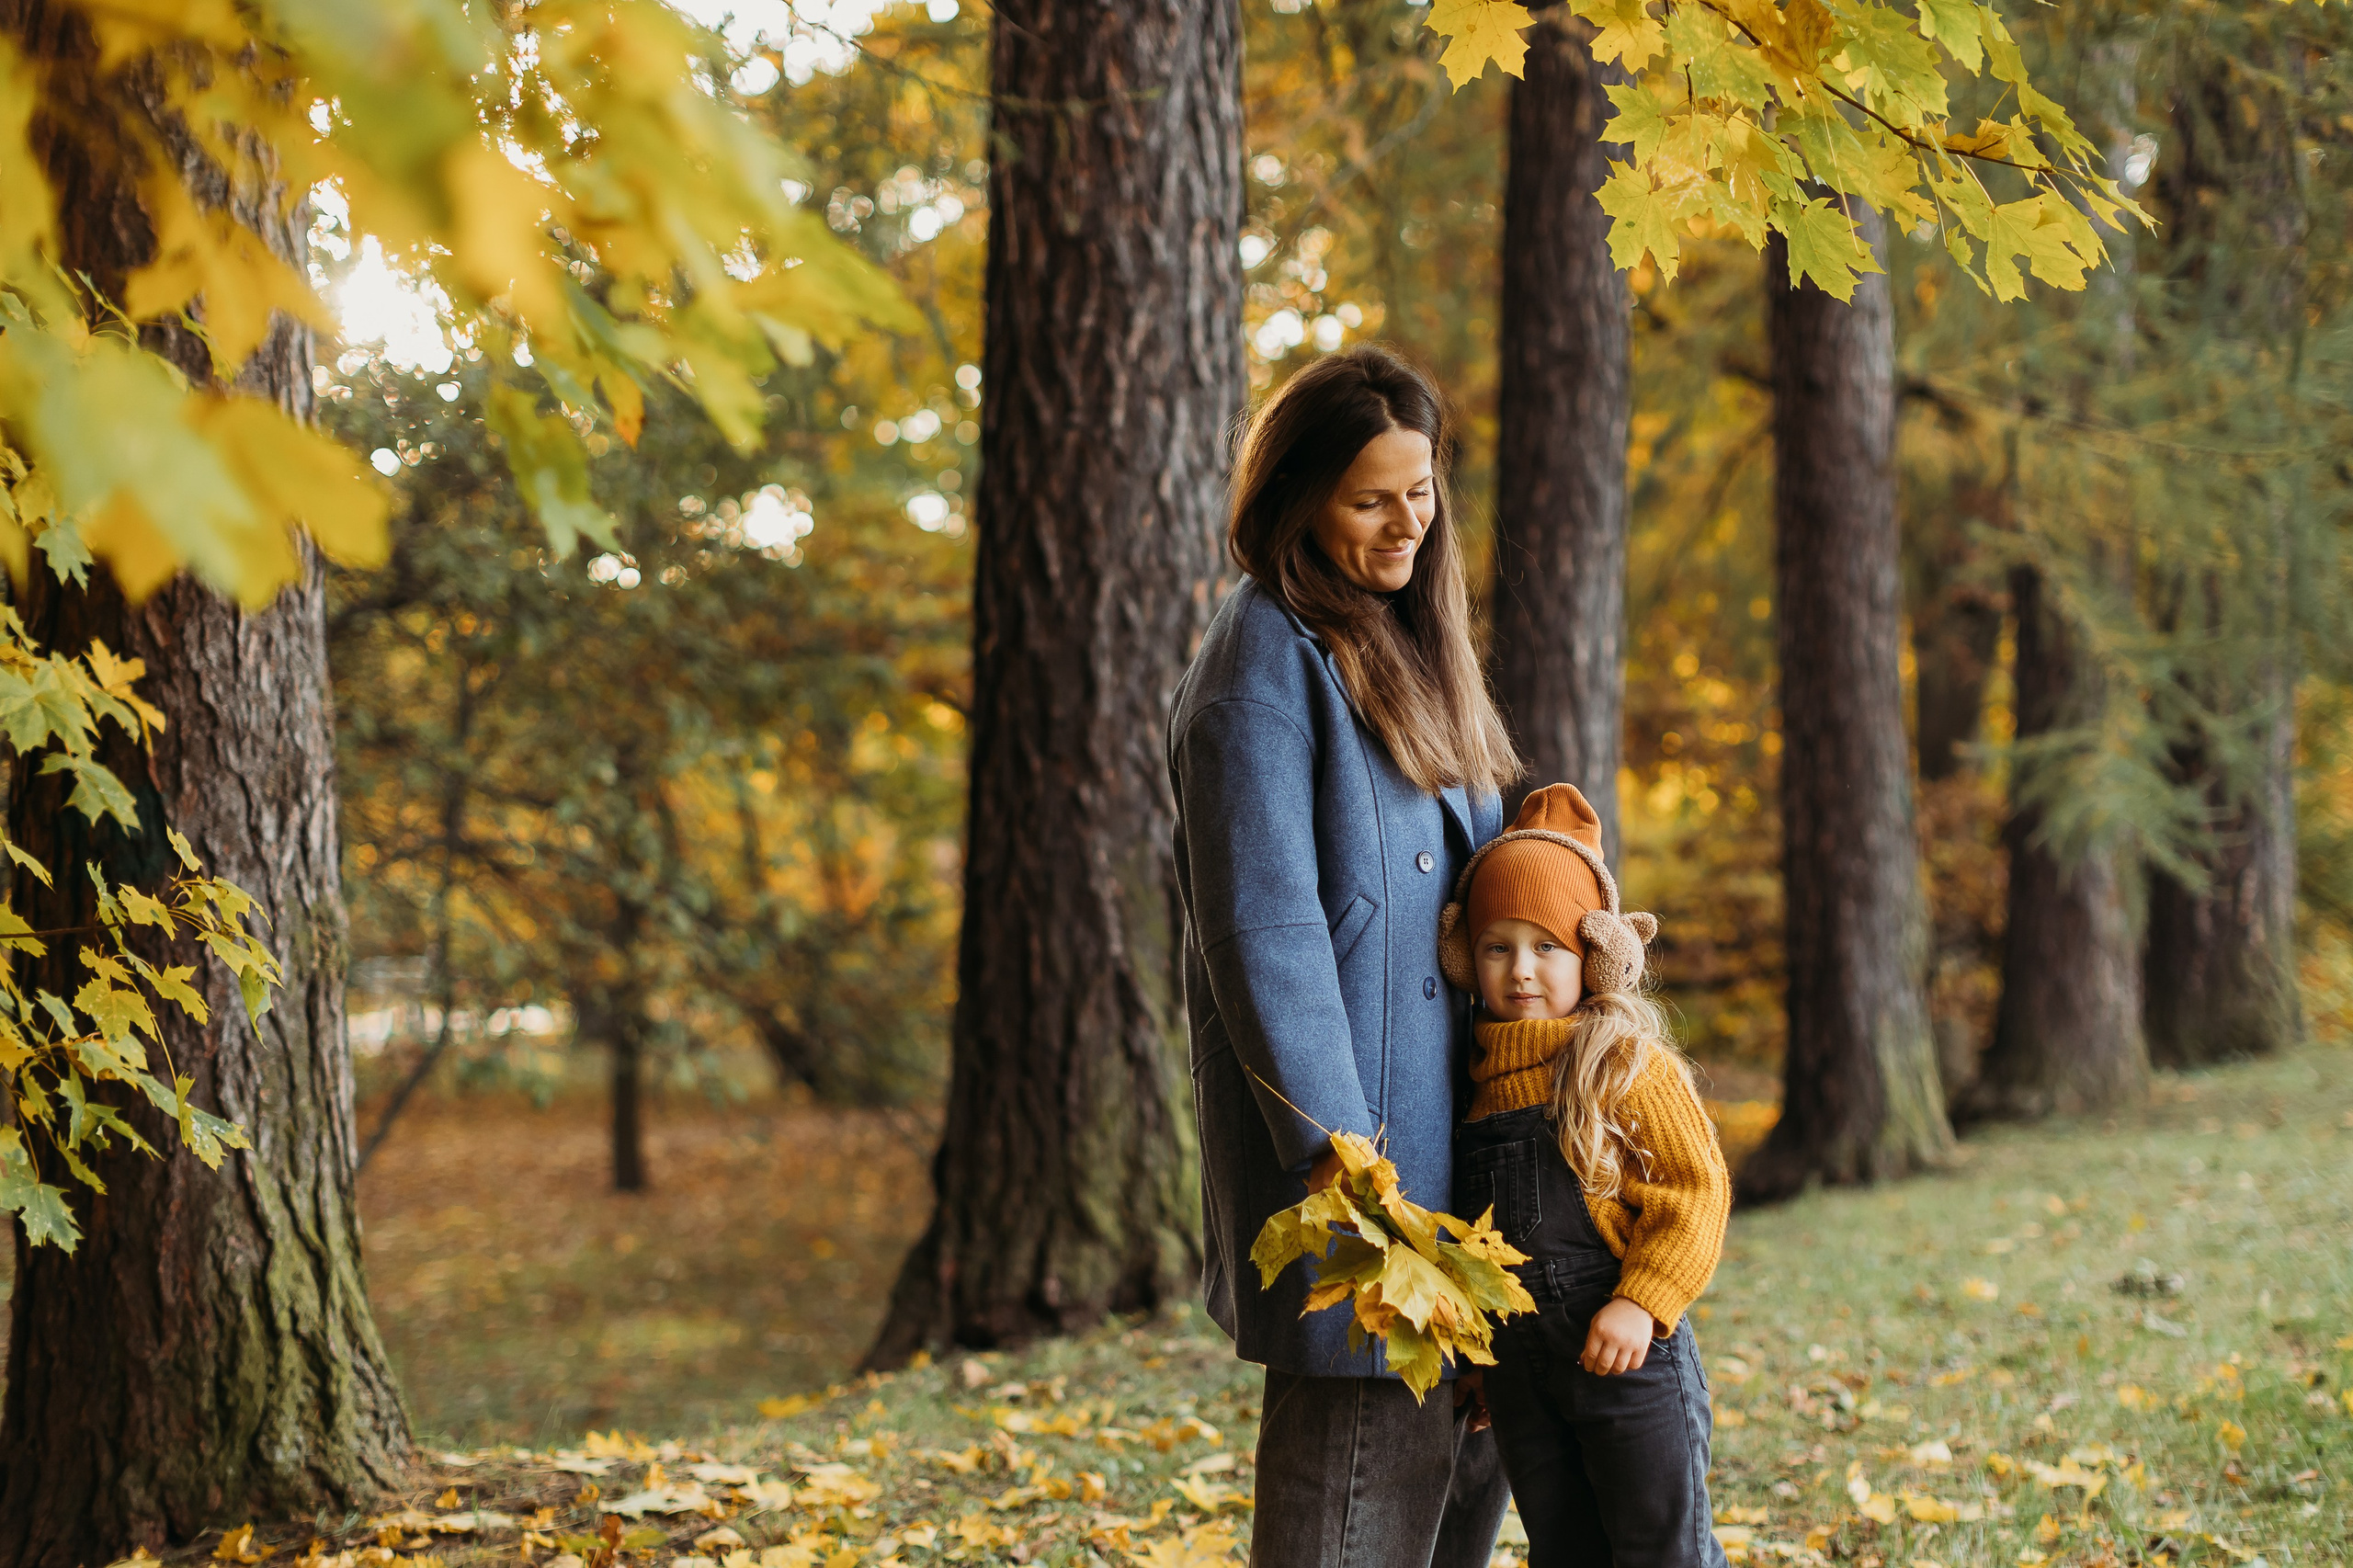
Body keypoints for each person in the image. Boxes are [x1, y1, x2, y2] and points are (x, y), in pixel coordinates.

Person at [1167, 346, 1518, 1567]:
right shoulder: (1264, 658)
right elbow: (1264, 935)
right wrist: (1345, 1171)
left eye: (1421, 491)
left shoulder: (1414, 648)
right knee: (1351, 1523)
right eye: (1373, 498)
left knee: (1460, 1501)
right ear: (1300, 496)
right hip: (1364, 1185)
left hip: (1472, 1161)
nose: (1408, 521)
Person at [1438, 781, 1733, 1568]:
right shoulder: (1469, 1085)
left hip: (1630, 1362)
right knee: (1564, 1546)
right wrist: (1478, 1357)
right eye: (1497, 947)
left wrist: (1643, 1302)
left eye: (1547, 947)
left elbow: (1694, 1190)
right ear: (1467, 956)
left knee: (1658, 1547)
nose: (1521, 970)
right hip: (1522, 1380)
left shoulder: (1619, 1062)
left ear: (1594, 954)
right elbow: (1474, 1240)